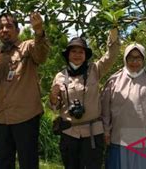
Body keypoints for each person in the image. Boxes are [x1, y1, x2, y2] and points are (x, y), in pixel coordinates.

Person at [0, 12, 49, 169]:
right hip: (0, 118)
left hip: (25, 116)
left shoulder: (28, 46)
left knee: (28, 161)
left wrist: (39, 31)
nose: (4, 30)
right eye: (1, 27)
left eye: (9, 26)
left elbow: (41, 56)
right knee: (3, 163)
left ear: (18, 30)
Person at [49, 29, 120, 169]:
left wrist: (113, 33)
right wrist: (52, 96)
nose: (77, 55)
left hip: (93, 133)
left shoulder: (95, 70)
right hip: (69, 133)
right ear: (68, 54)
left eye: (81, 52)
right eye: (74, 51)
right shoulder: (60, 76)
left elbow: (111, 56)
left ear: (85, 55)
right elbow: (55, 106)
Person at [101, 43, 146, 169]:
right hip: (118, 138)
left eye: (138, 58)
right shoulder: (114, 80)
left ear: (143, 59)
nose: (134, 62)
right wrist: (106, 131)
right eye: (131, 58)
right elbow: (105, 108)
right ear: (125, 59)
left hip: (143, 140)